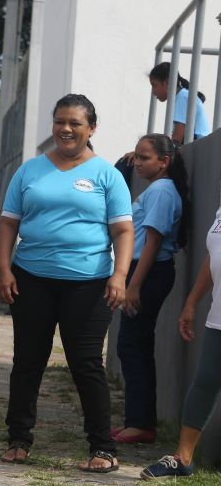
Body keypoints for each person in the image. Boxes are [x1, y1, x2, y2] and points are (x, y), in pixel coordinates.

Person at [0, 94, 134, 472]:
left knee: (86, 364)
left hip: (88, 285)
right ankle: (19, 440)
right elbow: (8, 223)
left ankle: (102, 447)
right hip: (31, 280)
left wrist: (119, 276)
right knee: (28, 361)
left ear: (91, 129)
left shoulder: (107, 175)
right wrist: (4, 270)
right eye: (60, 121)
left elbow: (123, 230)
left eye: (74, 123)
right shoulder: (30, 171)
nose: (66, 129)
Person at [114, 134, 188, 444]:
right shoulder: (159, 186)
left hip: (148, 272)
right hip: (146, 271)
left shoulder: (161, 191)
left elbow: (153, 242)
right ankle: (139, 420)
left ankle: (141, 423)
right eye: (138, 157)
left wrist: (134, 285)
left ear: (164, 162)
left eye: (145, 158)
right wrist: (138, 153)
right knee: (135, 345)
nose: (139, 163)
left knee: (133, 345)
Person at [139, 198, 221, 479]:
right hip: (218, 315)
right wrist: (191, 302)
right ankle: (183, 459)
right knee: (206, 383)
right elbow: (214, 256)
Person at [149, 61, 210, 144]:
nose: (153, 92)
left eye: (154, 85)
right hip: (199, 145)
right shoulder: (183, 95)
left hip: (199, 146)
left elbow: (177, 139)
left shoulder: (182, 97)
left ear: (167, 83)